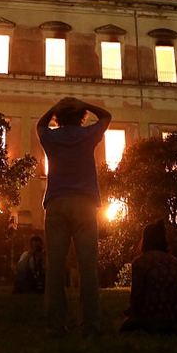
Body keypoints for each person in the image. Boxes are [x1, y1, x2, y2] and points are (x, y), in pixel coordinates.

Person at [36, 97, 112, 335]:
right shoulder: (87, 135)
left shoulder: (51, 138)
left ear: (59, 118)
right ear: (81, 117)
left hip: (56, 203)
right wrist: (84, 104)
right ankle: (90, 323)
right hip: (85, 204)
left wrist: (54, 107)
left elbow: (40, 125)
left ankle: (56, 324)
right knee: (87, 266)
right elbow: (106, 116)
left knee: (55, 267)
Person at [120, 220, 177, 334]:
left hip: (151, 319)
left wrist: (130, 312)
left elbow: (136, 300)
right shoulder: (175, 261)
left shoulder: (140, 262)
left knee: (125, 326)